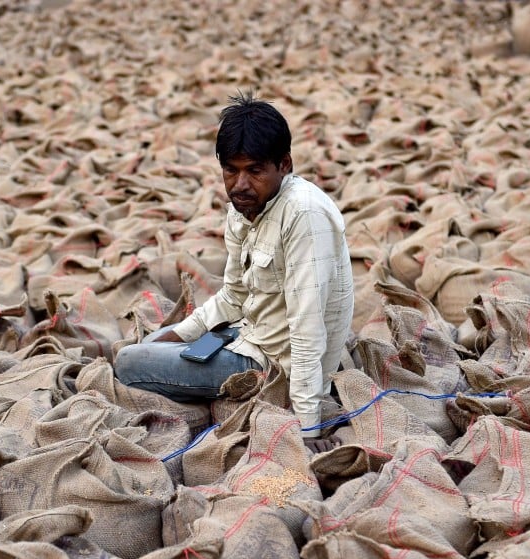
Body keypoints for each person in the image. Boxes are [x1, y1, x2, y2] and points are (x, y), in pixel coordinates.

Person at [114, 92, 354, 453]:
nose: (240, 184)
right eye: (231, 170)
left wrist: (308, 430)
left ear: (284, 164)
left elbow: (307, 330)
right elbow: (233, 296)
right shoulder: (245, 207)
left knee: (129, 364)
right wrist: (180, 334)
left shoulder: (303, 215)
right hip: (249, 333)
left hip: (273, 362)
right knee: (154, 344)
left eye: (254, 171)